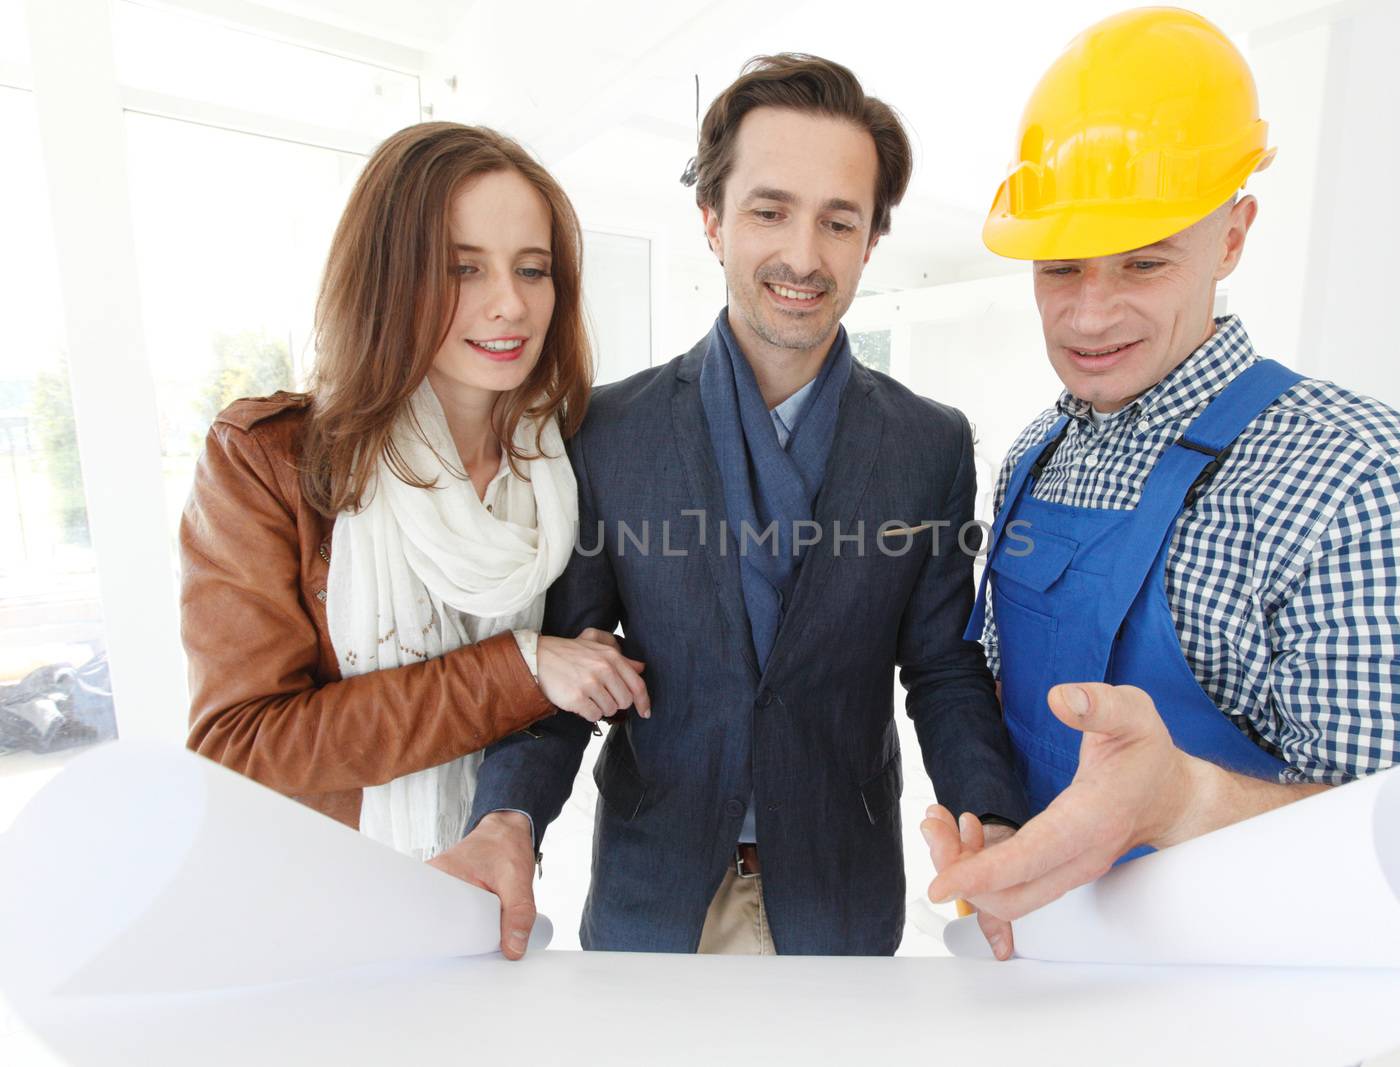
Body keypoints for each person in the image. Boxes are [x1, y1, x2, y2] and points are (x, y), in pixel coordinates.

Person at [923, 8, 1400, 947]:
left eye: (1146, 262)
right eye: (1061, 265)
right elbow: (1003, 683)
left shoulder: (1363, 475)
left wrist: (1183, 800)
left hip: (1253, 990)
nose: (1090, 312)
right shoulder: (1035, 451)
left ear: (1232, 237)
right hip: (1042, 953)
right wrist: (989, 809)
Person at [431, 55, 1027, 959]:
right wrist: (507, 816)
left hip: (841, 889)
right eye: (769, 210)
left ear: (872, 240)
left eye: (839, 221)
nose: (803, 254)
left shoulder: (929, 443)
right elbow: (572, 665)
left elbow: (941, 667)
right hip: (655, 885)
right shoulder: (606, 430)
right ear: (711, 220)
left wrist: (994, 818)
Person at [180, 123, 648, 881]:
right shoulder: (270, 458)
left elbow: (570, 688)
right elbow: (242, 746)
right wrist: (519, 668)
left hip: (491, 878)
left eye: (533, 270)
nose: (510, 305)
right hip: (319, 888)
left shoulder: (564, 465)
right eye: (462, 269)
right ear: (386, 277)